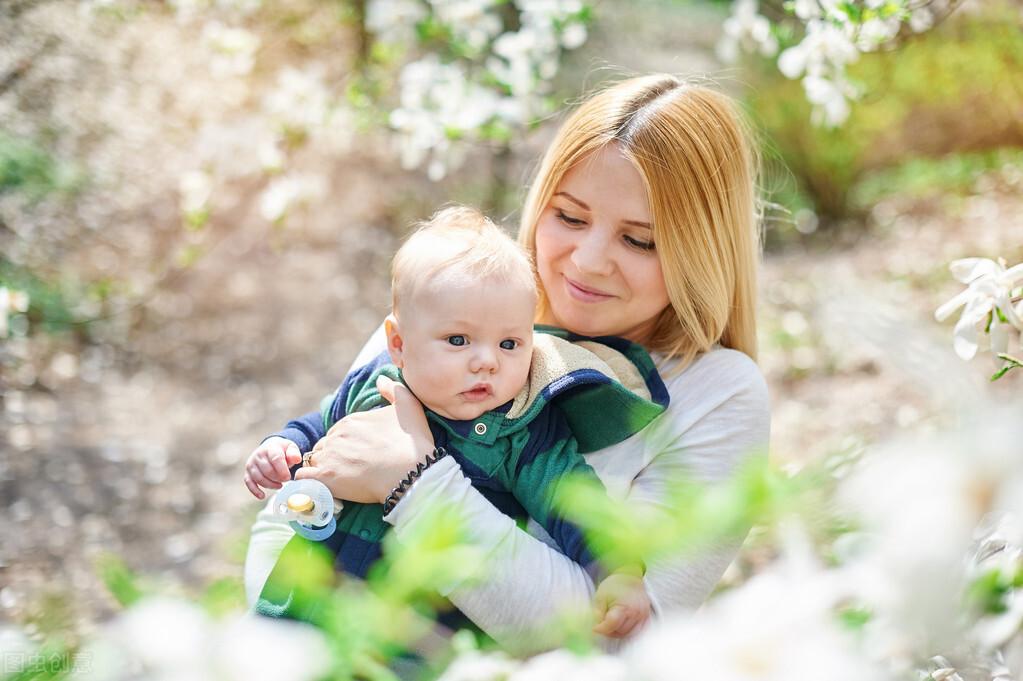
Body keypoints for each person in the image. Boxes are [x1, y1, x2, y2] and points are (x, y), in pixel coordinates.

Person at [244, 74, 770, 650]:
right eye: (569, 217)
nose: (589, 261)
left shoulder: (718, 393)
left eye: (639, 241)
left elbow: (620, 644)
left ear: (703, 247)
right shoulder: (455, 302)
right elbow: (282, 517)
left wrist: (414, 484)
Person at [248, 206, 669, 637]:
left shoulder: (520, 427)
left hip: (415, 636)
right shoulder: (376, 383)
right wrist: (283, 446)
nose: (486, 361)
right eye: (458, 340)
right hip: (305, 610)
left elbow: (576, 502)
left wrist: (619, 571)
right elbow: (322, 422)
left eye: (509, 343)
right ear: (399, 343)